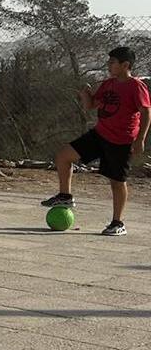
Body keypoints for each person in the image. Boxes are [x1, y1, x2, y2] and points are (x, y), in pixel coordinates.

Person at [40, 46, 151, 236]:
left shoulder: (136, 86)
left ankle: (118, 223)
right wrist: (85, 95)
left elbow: (146, 111)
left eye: (112, 62)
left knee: (117, 181)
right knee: (63, 157)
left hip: (121, 140)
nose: (109, 65)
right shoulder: (108, 84)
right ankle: (65, 196)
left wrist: (140, 138)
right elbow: (90, 106)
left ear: (125, 65)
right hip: (100, 134)